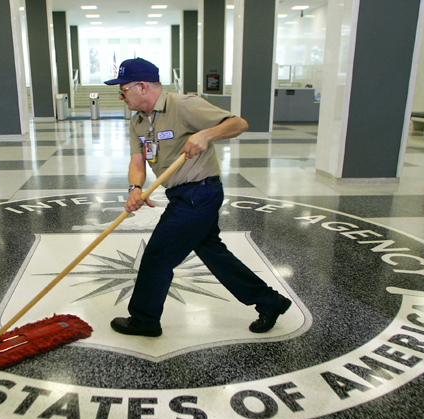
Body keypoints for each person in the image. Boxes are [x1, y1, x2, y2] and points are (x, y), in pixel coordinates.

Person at [104, 58, 291, 337]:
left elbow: (238, 123)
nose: (121, 95)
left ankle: (144, 320)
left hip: (199, 193)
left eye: (123, 89)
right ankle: (269, 301)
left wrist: (207, 134)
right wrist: (135, 188)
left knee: (157, 257)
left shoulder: (183, 105)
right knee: (214, 254)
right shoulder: (138, 122)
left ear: (142, 86)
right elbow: (137, 162)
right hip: (181, 194)